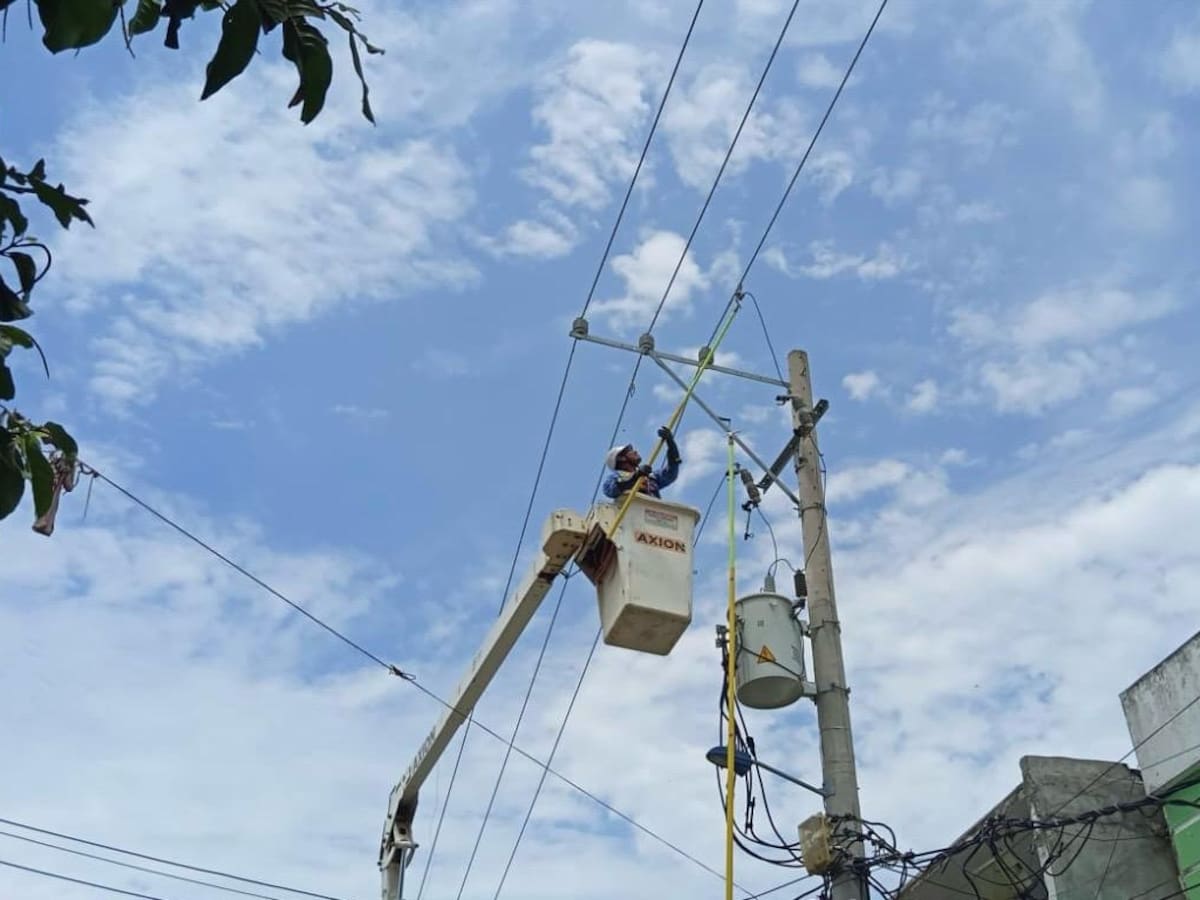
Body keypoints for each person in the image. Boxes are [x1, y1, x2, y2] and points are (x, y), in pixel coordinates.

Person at [602, 426, 682, 500]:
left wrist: (671, 443)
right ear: (621, 458)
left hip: (653, 509)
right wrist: (636, 476)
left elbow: (671, 472)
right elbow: (610, 490)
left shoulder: (650, 477)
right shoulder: (616, 477)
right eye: (629, 450)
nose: (635, 451)